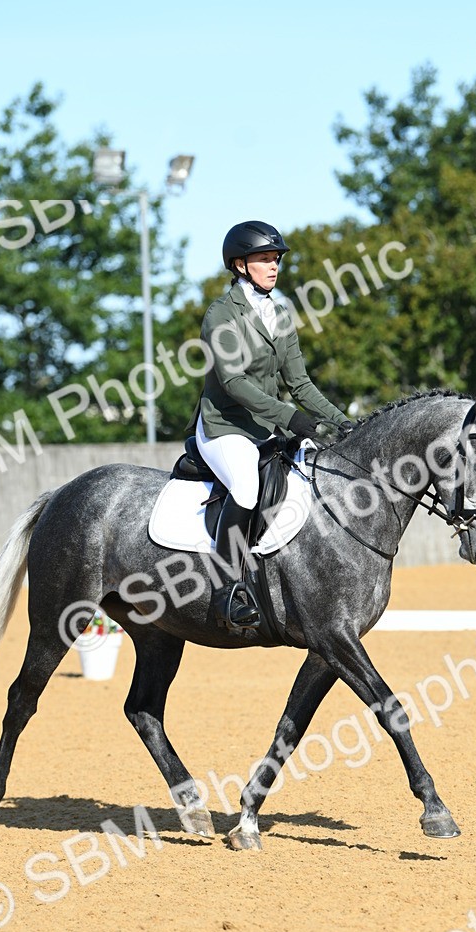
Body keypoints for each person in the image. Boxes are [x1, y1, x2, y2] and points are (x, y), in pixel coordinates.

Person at [188, 220, 351, 631]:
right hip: (226, 426)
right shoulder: (221, 315)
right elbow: (233, 383)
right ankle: (228, 588)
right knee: (245, 486)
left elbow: (300, 383)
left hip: (268, 428)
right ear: (241, 265)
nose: (273, 266)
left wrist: (343, 422)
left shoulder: (280, 315)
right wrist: (289, 417)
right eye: (264, 259)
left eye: (275, 259)